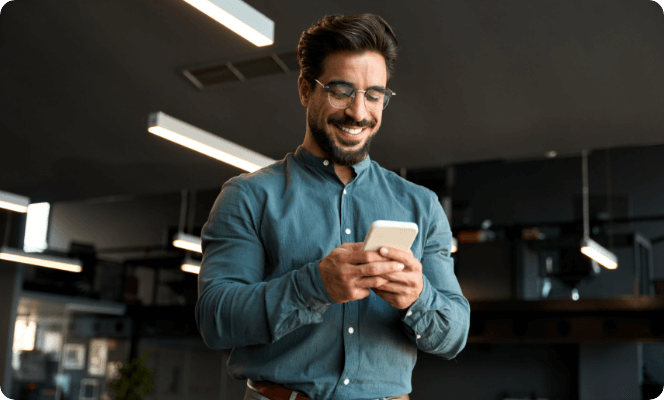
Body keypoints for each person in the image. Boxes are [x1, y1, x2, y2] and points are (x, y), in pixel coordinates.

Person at [195, 13, 470, 400]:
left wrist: (418, 296)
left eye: (374, 94)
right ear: (306, 90)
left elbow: (454, 335)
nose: (359, 112)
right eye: (341, 91)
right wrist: (315, 286)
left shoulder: (421, 205)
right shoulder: (248, 196)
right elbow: (215, 319)